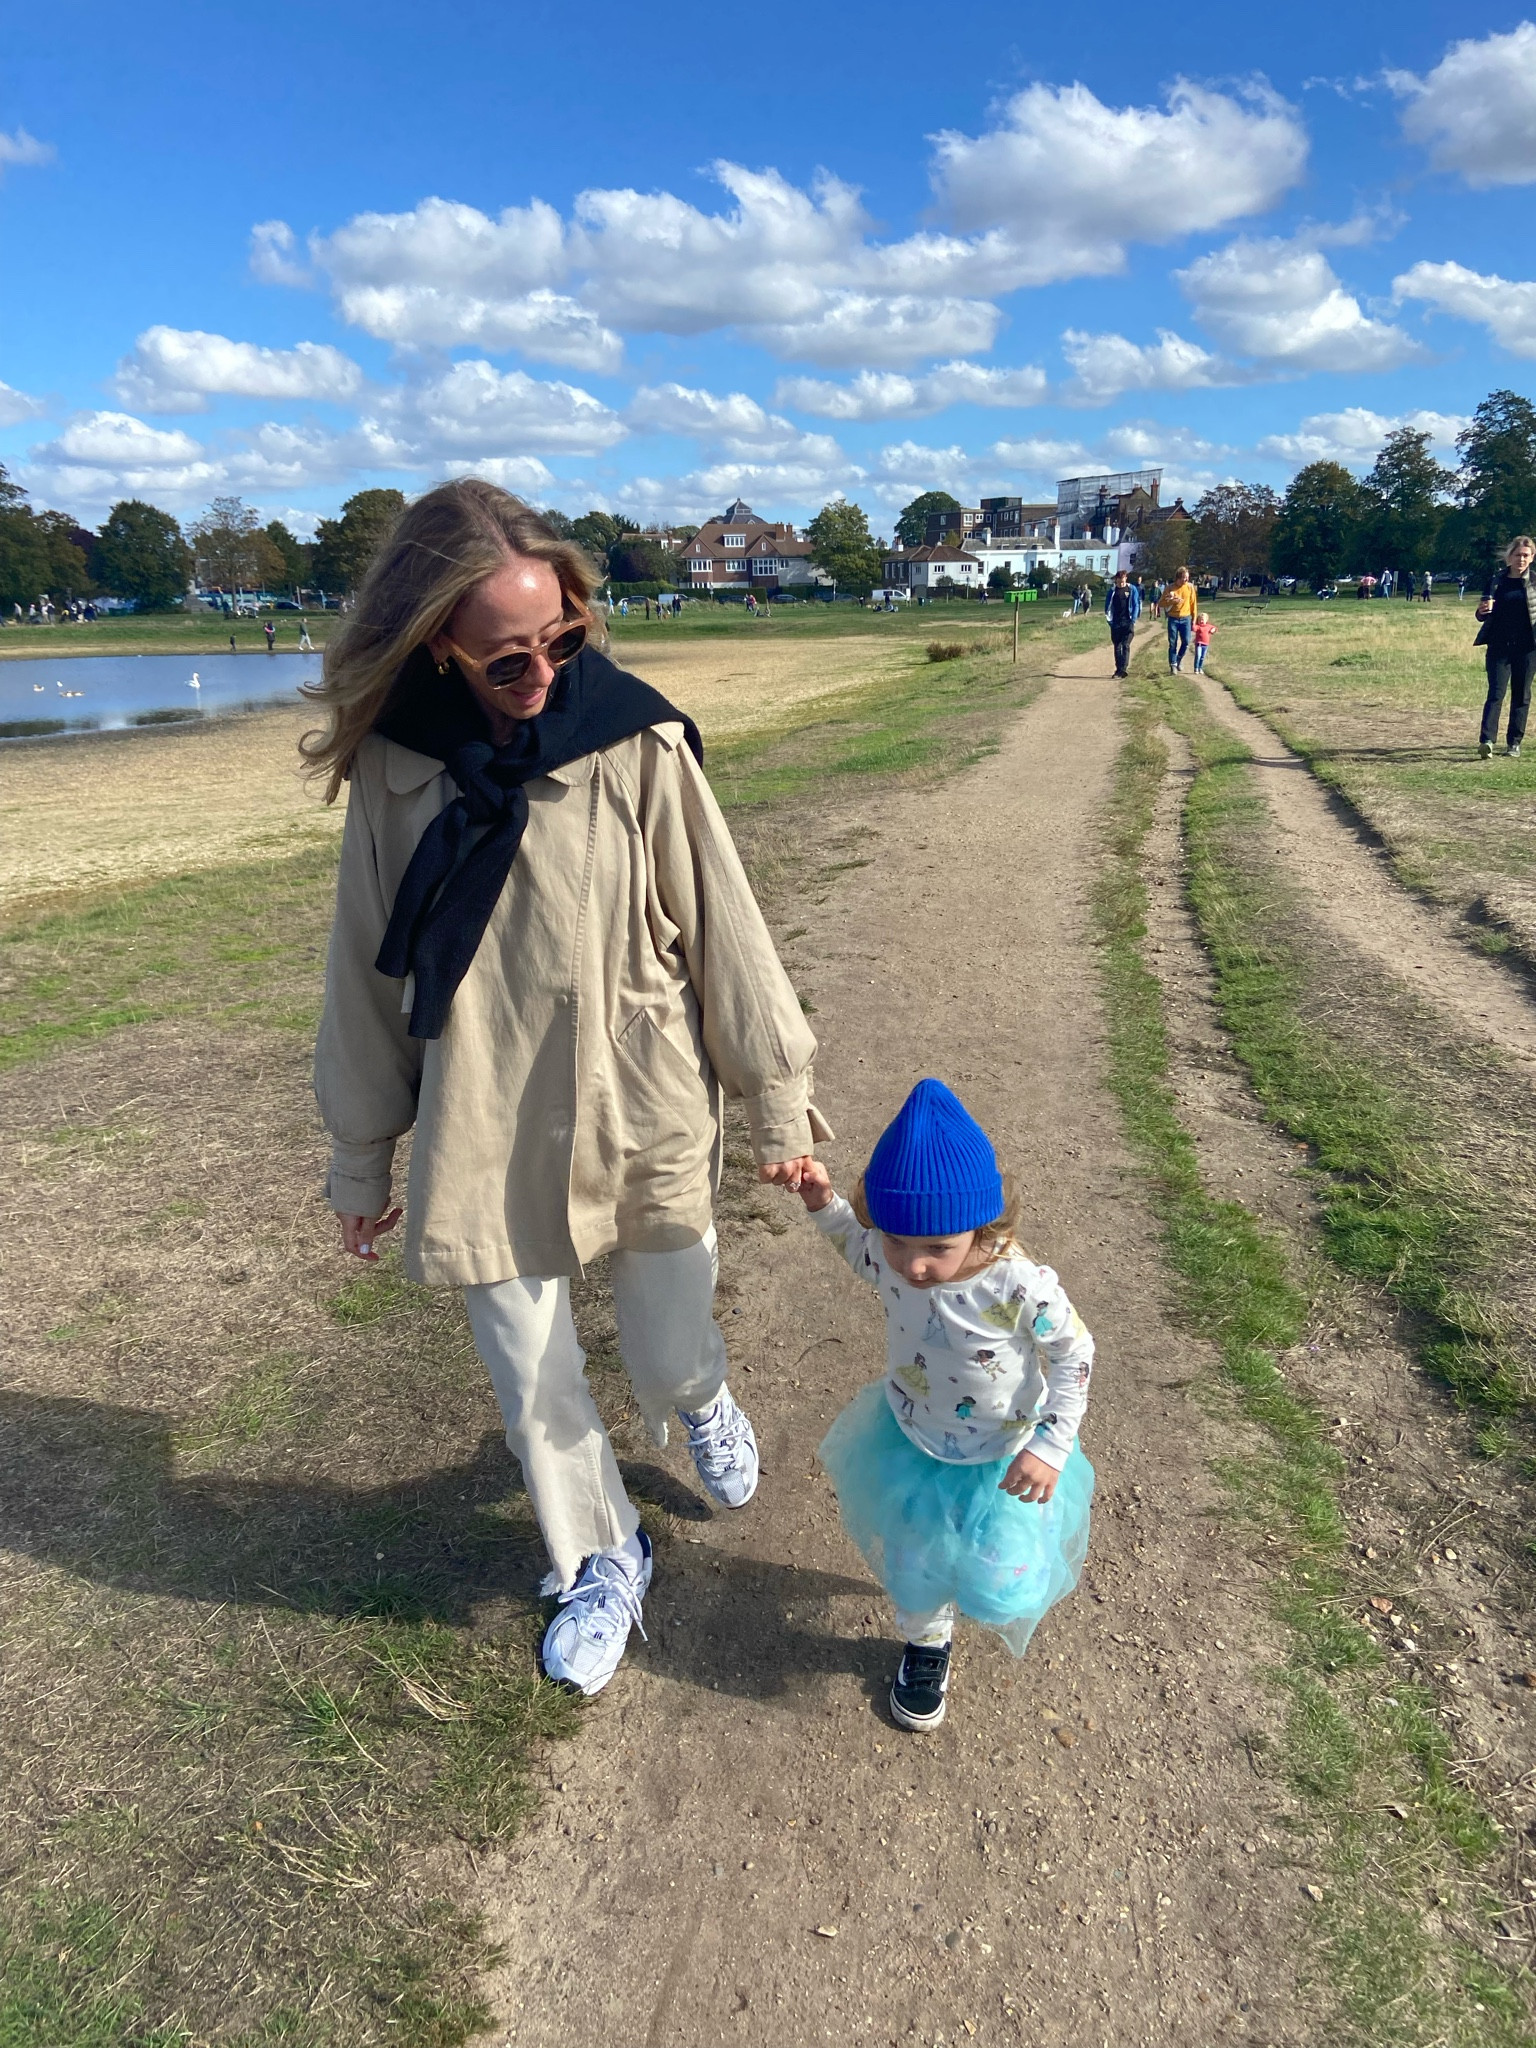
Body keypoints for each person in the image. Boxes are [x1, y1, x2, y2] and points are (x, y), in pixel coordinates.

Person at [307, 480, 828, 1697]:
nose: (542, 673)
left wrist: (778, 1102)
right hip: (481, 1105)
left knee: (666, 1343)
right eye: (506, 658)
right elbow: (364, 967)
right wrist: (360, 1155)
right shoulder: (397, 764)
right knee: (531, 1374)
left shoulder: (632, 737)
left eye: (563, 639)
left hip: (640, 1091)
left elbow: (727, 927)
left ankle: (700, 1398)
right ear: (438, 642)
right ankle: (599, 1551)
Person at [782, 1080, 1094, 1732]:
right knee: (915, 1563)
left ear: (983, 1226)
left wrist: (1052, 1444)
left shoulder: (1017, 1285)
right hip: (913, 1443)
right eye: (896, 1241)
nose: (912, 1266)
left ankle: (968, 1595)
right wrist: (821, 1202)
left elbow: (1075, 1355)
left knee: (999, 1575)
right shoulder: (888, 1254)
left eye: (937, 1249)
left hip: (1005, 1456)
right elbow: (855, 1244)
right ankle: (927, 1642)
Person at [1475, 535, 1536, 760]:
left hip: (1527, 648)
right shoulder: (1496, 581)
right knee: (1495, 693)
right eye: (1517, 555)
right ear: (1509, 557)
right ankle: (1487, 741)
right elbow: (1482, 614)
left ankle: (1514, 743)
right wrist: (1481, 612)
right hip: (1499, 646)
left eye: (1526, 555)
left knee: (1521, 695)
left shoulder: (1535, 582)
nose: (1521, 559)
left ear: (1532, 558)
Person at [1103, 569, 1141, 678]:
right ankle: (1118, 669)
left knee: (1125, 645)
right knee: (1117, 646)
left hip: (1128, 622)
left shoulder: (1132, 589)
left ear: (1126, 579)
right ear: (1116, 580)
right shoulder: (1112, 591)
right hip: (1116, 622)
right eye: (1119, 581)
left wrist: (1133, 619)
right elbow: (1107, 606)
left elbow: (1136, 604)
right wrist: (1109, 620)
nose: (1121, 583)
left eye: (1123, 580)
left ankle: (1123, 669)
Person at [1162, 566, 1197, 672]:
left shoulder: (1190, 587)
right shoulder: (1170, 588)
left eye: (1187, 578)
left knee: (1186, 641)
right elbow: (1161, 603)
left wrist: (1194, 619)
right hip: (1173, 619)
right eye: (1184, 578)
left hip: (1186, 618)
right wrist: (1172, 601)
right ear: (1178, 577)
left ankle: (1179, 659)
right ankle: (1173, 664)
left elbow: (1193, 603)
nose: (1186, 580)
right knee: (1172, 642)